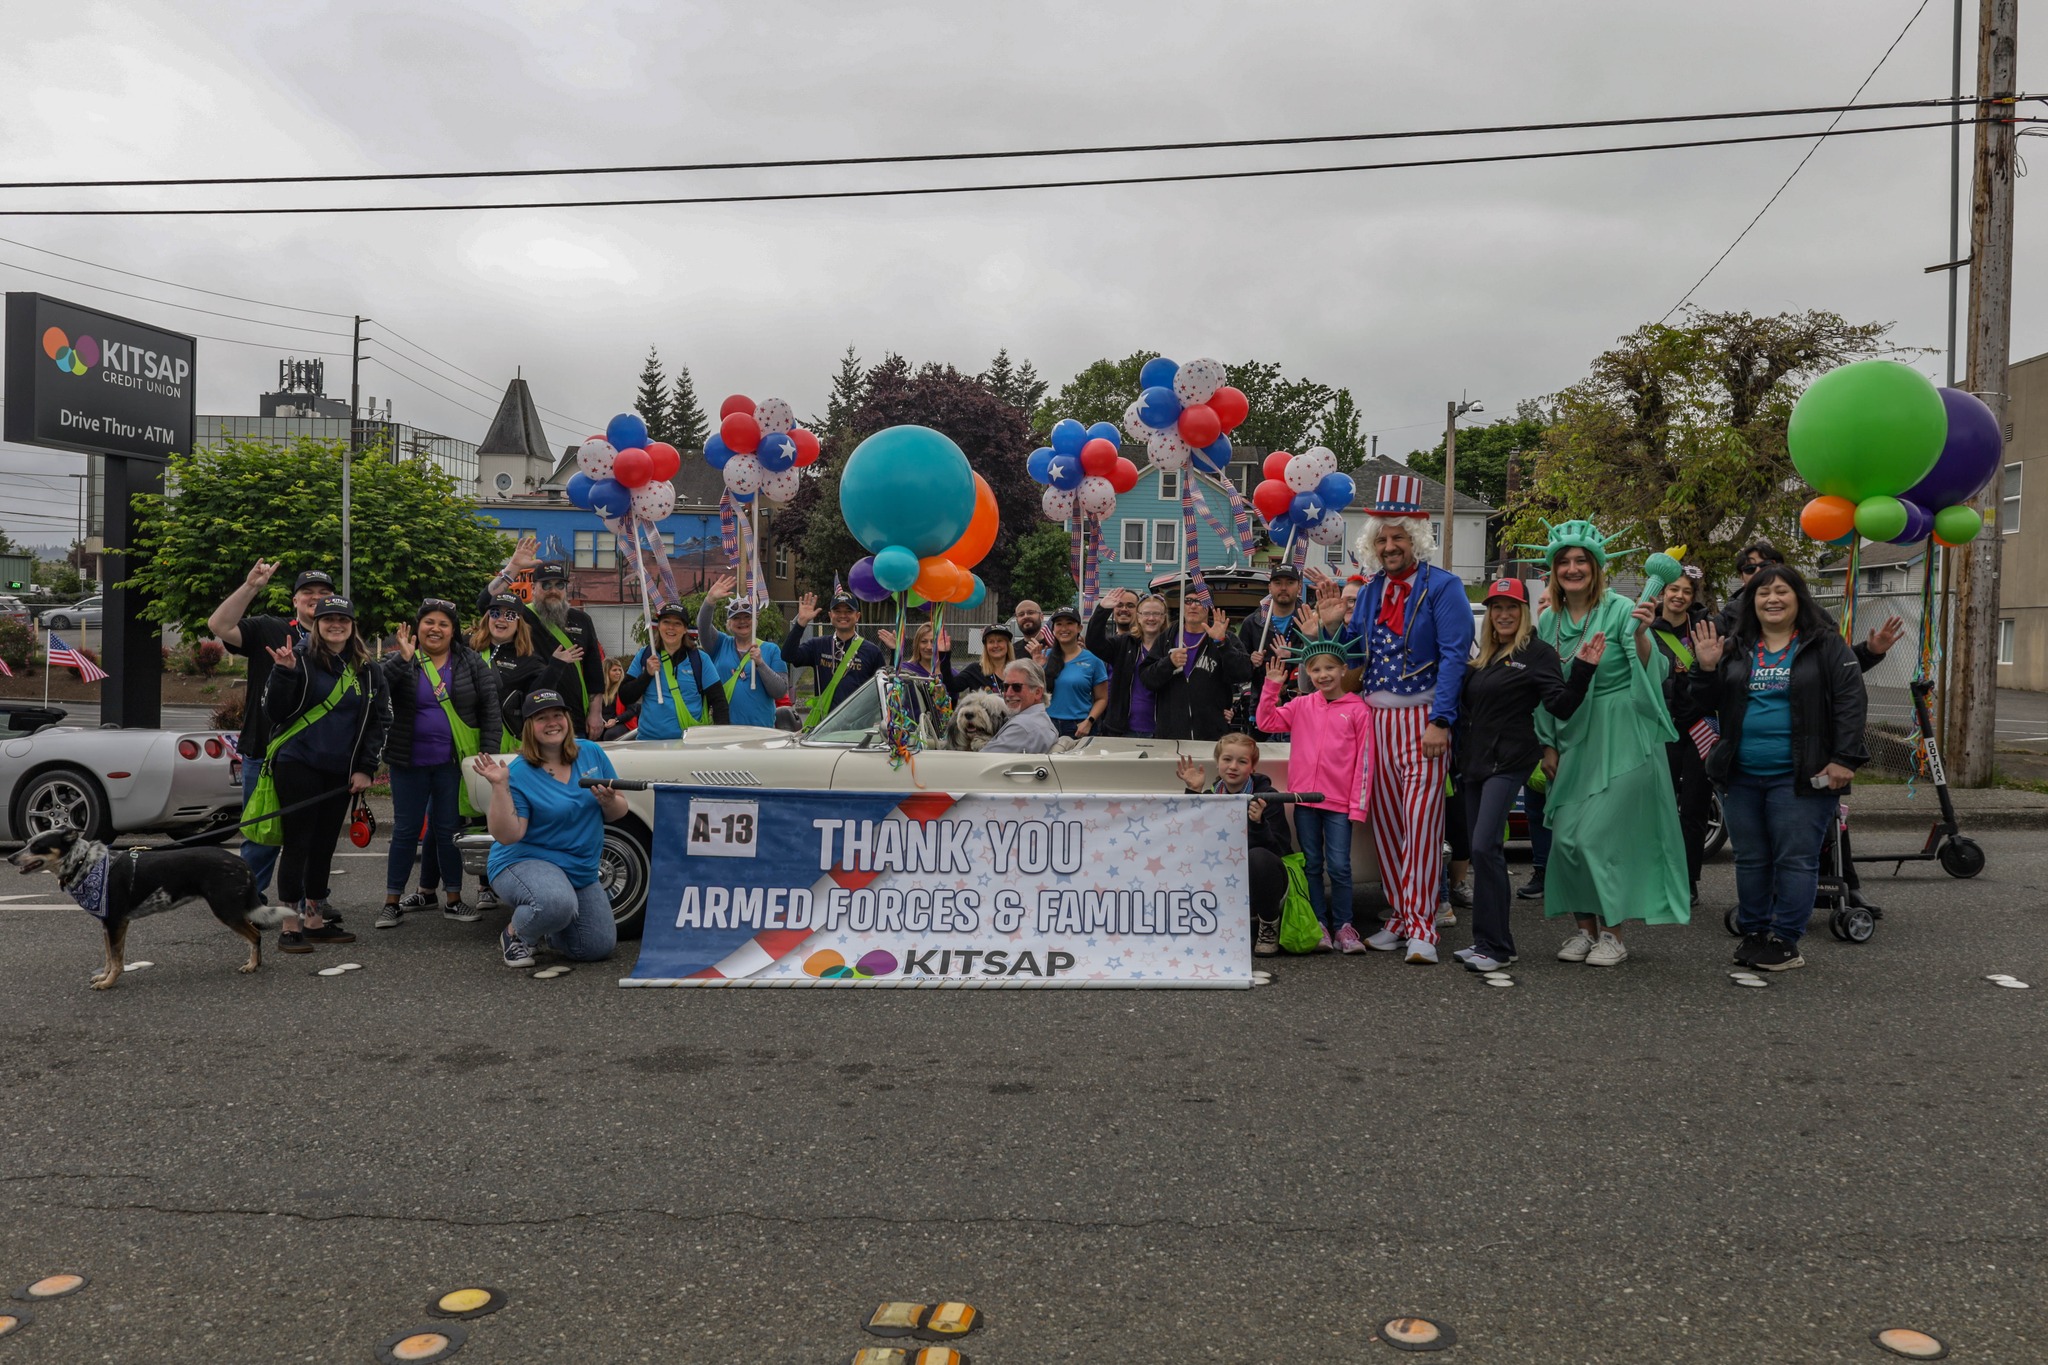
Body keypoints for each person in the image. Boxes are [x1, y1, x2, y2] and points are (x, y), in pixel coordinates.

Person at [1315, 475, 1475, 965]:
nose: (1389, 545)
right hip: (1375, 721)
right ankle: (1402, 917)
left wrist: (1442, 720)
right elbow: (1356, 661)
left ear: (1416, 539)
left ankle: (1424, 925)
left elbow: (1454, 658)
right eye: (1382, 537)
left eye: (1398, 537)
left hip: (1424, 719)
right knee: (1384, 824)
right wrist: (1330, 628)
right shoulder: (1369, 593)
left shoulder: (1444, 587)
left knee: (1422, 823)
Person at [1691, 566, 1868, 972]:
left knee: (1795, 860)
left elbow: (1850, 700)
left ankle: (1786, 941)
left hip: (1801, 777)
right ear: (1751, 602)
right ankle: (1754, 933)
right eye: (1762, 592)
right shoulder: (1736, 648)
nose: (1772, 598)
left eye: (1781, 591)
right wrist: (1704, 669)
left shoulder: (1825, 645)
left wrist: (1844, 758)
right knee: (1751, 858)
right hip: (1741, 773)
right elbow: (1700, 704)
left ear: (1798, 597)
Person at [1530, 522, 1691, 967]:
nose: (1573, 568)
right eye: (1564, 561)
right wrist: (1548, 745)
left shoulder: (1624, 608)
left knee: (1601, 838)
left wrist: (1641, 634)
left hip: (1622, 730)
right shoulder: (1548, 620)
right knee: (1566, 840)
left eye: (1581, 560)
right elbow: (1545, 689)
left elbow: (1655, 671)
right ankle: (1585, 931)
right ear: (1553, 570)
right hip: (1573, 734)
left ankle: (1614, 935)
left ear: (1598, 568)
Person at [1451, 578, 1590, 973]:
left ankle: (1495, 947)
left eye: (1511, 607)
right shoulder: (1485, 657)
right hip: (1475, 763)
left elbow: (1561, 706)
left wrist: (1583, 669)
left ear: (1525, 612)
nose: (1503, 614)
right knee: (1485, 852)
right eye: (1496, 608)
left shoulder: (1537, 653)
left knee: (1483, 847)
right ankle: (1491, 943)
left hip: (1509, 761)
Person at [261, 595, 389, 953]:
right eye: (328, 619)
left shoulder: (368, 669)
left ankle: (315, 920)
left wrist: (366, 768)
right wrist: (282, 672)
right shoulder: (298, 658)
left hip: (341, 771)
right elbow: (275, 712)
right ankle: (290, 925)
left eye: (343, 620)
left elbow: (380, 722)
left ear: (352, 626)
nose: (336, 625)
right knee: (297, 844)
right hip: (297, 763)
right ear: (316, 624)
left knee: (324, 846)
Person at [208, 563, 335, 907]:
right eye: (308, 593)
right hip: (266, 752)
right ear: (295, 600)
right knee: (262, 834)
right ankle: (247, 902)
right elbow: (219, 625)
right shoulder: (270, 628)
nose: (315, 599)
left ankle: (312, 902)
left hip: (318, 757)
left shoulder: (340, 637)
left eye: (325, 594)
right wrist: (251, 586)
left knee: (312, 836)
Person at [473, 689, 629, 969]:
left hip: (578, 868)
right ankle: (516, 935)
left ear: (567, 719)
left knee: (596, 947)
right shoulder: (519, 771)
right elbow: (509, 835)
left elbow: (619, 811)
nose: (552, 722)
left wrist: (609, 801)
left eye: (557, 715)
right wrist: (499, 786)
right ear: (530, 727)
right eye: (541, 718)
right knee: (555, 902)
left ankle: (551, 927)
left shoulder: (591, 753)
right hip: (525, 861)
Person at [373, 598, 500, 930]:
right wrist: (401, 658)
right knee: (404, 831)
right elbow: (378, 686)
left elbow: (490, 708)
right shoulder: (402, 659)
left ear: (453, 631)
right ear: (418, 627)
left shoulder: (470, 662)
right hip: (408, 762)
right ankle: (391, 902)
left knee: (448, 831)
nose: (436, 629)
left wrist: (487, 753)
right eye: (429, 622)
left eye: (444, 624)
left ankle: (454, 900)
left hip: (452, 765)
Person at [1255, 635, 1372, 952]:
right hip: (1304, 800)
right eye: (1316, 670)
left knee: (1340, 866)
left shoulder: (1359, 710)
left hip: (1339, 805)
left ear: (1343, 670)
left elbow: (1365, 761)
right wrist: (1272, 688)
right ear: (1308, 674)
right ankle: (1318, 922)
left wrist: (1358, 807)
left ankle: (1345, 926)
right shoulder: (1302, 704)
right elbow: (1265, 722)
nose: (1323, 675)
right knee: (1312, 865)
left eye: (1329, 668)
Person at [1177, 733, 1293, 956]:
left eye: (1242, 761)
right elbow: (1187, 841)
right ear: (1217, 762)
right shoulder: (1211, 795)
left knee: (1259, 857)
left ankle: (1268, 924)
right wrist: (1194, 793)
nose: (1233, 767)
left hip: (1265, 882)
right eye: (1227, 759)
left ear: (1253, 766)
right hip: (1223, 878)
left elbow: (1279, 850)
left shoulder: (1268, 797)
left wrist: (1258, 823)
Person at [480, 537, 608, 739]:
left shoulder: (582, 619)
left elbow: (594, 669)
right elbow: (486, 602)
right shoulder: (521, 615)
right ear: (533, 588)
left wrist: (595, 712)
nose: (553, 591)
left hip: (575, 715)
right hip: (535, 716)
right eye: (546, 585)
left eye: (559, 585)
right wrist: (513, 567)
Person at [1649, 566, 1716, 904]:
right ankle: (1654, 875)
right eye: (1673, 589)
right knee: (1656, 807)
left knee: (1693, 807)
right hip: (1655, 728)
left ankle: (1687, 880)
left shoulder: (1705, 628)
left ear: (1693, 597)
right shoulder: (1644, 628)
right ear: (1662, 592)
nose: (1678, 596)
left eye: (1686, 591)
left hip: (1697, 728)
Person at [1141, 595, 1256, 742]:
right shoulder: (1167, 638)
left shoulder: (1226, 637)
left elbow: (1244, 672)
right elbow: (1147, 679)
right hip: (1171, 737)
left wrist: (1222, 643)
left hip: (1213, 736)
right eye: (1188, 601)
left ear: (1209, 607)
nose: (1193, 606)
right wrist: (1168, 663)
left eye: (1199, 601)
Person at [471, 592, 564, 750]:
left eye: (510, 615)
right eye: (495, 613)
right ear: (487, 618)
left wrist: (555, 667)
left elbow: (537, 699)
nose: (501, 619)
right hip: (468, 738)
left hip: (504, 744)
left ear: (519, 622)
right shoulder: (468, 648)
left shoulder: (530, 660)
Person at [620, 602, 730, 737]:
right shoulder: (645, 655)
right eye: (666, 622)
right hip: (649, 742)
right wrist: (646, 675)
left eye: (677, 623)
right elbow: (625, 696)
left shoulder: (700, 660)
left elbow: (719, 702)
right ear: (659, 626)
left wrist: (722, 738)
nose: (671, 628)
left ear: (685, 629)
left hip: (689, 744)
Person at [785, 589, 887, 727]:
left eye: (848, 611)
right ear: (830, 615)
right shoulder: (818, 645)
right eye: (837, 611)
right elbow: (788, 655)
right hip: (824, 728)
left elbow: (885, 688)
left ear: (857, 616)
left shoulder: (871, 651)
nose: (842, 615)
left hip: (858, 728)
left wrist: (894, 652)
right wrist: (801, 623)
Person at [698, 576, 789, 727]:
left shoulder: (771, 650)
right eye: (736, 618)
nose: (742, 621)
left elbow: (779, 691)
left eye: (747, 616)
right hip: (726, 729)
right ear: (729, 623)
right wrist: (710, 601)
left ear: (755, 620)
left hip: (762, 731)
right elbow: (702, 627)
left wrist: (761, 664)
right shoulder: (720, 644)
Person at [1240, 563, 1310, 739]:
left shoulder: (1309, 620)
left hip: (1300, 709)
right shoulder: (1252, 623)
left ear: (1299, 587)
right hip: (1261, 709)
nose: (1284, 588)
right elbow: (1240, 673)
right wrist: (1250, 661)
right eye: (1278, 583)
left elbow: (1321, 663)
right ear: (1270, 587)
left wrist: (1292, 656)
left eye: (1290, 582)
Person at [1088, 589, 1171, 737]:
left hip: (1161, 731)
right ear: (1138, 617)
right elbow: (1094, 643)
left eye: (1156, 614)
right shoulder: (1124, 644)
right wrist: (1102, 610)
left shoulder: (1172, 647)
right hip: (1122, 729)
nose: (1151, 618)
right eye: (1146, 613)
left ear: (1164, 618)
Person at [1041, 606, 1110, 739]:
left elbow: (1102, 699)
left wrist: (1089, 722)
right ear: (1053, 629)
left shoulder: (1093, 660)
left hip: (1079, 727)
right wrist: (1037, 668)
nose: (1064, 628)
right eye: (1059, 624)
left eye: (1069, 623)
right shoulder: (1043, 657)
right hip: (1047, 725)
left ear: (1079, 628)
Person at [980, 659, 1058, 754]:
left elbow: (982, 761)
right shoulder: (1041, 719)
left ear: (1037, 692)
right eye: (1005, 686)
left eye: (1017, 687)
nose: (1008, 693)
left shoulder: (1022, 728)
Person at [947, 622, 1014, 697]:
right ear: (986, 646)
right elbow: (952, 686)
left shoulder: (1018, 670)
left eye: (1000, 641)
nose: (995, 645)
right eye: (991, 642)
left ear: (1007, 644)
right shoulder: (975, 670)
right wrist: (944, 655)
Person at [596, 657, 638, 740]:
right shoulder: (598, 690)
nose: (618, 673)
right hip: (603, 723)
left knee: (610, 735)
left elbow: (632, 711)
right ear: (606, 672)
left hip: (622, 722)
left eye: (619, 670)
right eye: (614, 670)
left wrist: (616, 720)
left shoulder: (625, 688)